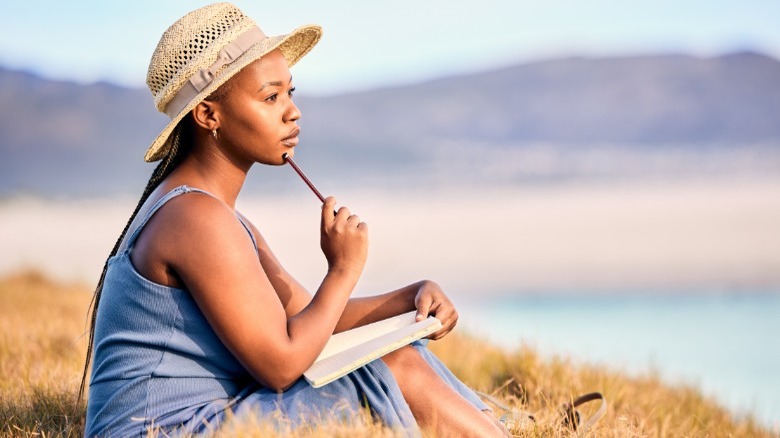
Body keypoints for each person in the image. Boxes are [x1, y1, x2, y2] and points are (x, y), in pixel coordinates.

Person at [80, 3, 508, 437]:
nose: (292, 111)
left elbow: (307, 318)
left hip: (203, 420)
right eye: (270, 97)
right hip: (170, 431)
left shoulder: (216, 216)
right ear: (209, 115)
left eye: (290, 92)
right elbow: (281, 365)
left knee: (396, 350)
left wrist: (412, 297)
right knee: (390, 366)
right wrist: (343, 269)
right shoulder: (196, 219)